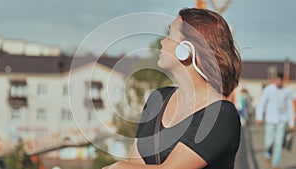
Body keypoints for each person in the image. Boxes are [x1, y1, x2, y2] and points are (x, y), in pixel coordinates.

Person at [103, 8, 242, 169]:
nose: (162, 42)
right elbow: (137, 163)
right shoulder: (158, 99)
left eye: (169, 35)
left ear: (187, 49)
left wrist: (117, 167)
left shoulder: (220, 115)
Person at [256, 73, 295, 169]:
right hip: (270, 120)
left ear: (282, 81)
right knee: (269, 142)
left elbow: (290, 108)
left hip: (282, 121)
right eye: (277, 80)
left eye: (281, 80)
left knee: (278, 142)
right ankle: (268, 154)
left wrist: (291, 122)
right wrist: (259, 117)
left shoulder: (286, 92)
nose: (279, 82)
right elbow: (262, 104)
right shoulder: (269, 90)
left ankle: (276, 164)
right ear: (275, 80)